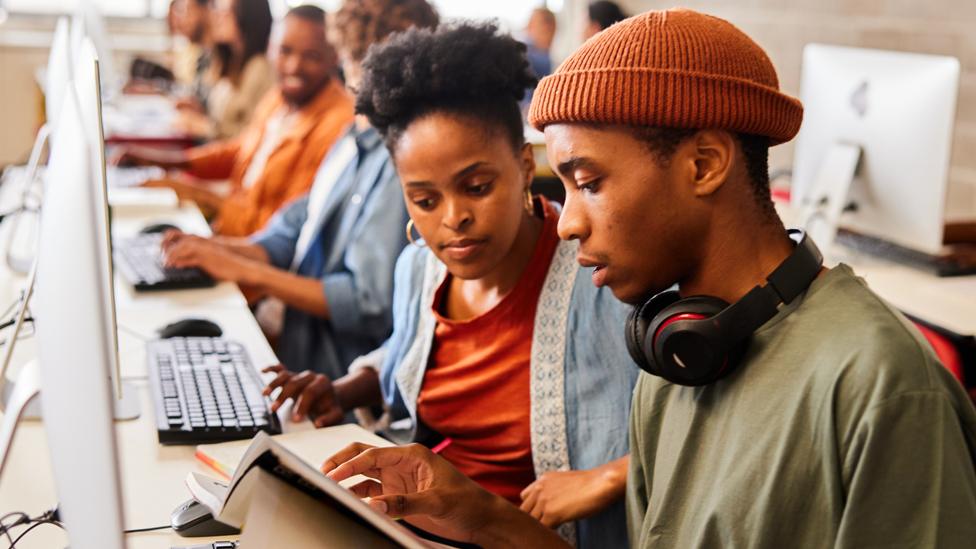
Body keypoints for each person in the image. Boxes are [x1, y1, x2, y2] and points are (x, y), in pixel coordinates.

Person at [322, 8, 976, 548]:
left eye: (589, 182)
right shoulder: (676, 358)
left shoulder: (881, 387)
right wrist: (474, 511)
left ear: (704, 164)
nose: (568, 222)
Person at [264, 21, 636, 548]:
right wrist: (342, 389)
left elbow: (697, 428)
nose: (453, 218)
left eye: (477, 187)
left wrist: (610, 476)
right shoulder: (419, 269)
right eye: (424, 199)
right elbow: (410, 350)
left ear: (526, 167)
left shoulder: (602, 277)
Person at [162, 0, 439, 379]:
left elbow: (366, 302)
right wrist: (220, 249)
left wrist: (246, 270)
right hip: (295, 349)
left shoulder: (398, 160)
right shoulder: (355, 135)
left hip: (330, 376)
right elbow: (298, 223)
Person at [116, 4, 354, 238]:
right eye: (285, 51)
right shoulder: (279, 98)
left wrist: (200, 195)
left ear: (334, 57)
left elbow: (279, 231)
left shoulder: (337, 125)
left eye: (311, 56)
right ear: (271, 48)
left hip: (250, 250)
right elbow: (238, 151)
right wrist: (164, 161)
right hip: (229, 228)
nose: (293, 66)